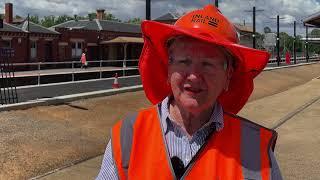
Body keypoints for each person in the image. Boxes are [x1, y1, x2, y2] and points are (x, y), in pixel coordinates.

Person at [96, 4, 282, 180]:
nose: (193, 76)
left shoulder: (254, 147)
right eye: (184, 61)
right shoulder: (128, 136)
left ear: (228, 76)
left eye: (207, 64)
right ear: (168, 69)